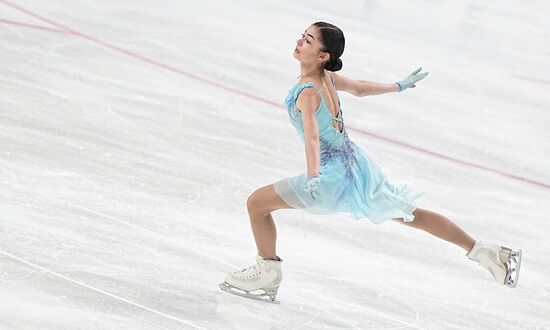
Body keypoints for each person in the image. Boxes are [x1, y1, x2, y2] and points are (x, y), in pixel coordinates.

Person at [219, 22, 522, 304]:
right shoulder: (327, 78)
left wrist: (313, 177)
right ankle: (485, 252)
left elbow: (312, 138)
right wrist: (397, 86)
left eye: (308, 40)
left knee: (257, 204)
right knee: (409, 214)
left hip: (327, 176)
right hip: (355, 169)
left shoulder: (309, 91)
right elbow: (360, 88)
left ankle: (268, 271)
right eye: (303, 35)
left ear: (323, 55)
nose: (299, 41)